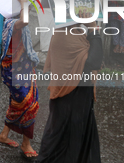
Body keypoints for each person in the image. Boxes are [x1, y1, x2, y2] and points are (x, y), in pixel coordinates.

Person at [36, 14, 103, 163]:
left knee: (68, 137)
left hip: (76, 98)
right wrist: (93, 28)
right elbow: (94, 61)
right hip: (71, 98)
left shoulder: (74, 32)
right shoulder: (65, 35)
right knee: (67, 140)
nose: (83, 14)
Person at [0, 0, 40, 160]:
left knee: (18, 103)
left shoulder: (14, 23)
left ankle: (3, 135)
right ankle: (26, 143)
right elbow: (25, 21)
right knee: (29, 104)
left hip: (25, 68)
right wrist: (24, 4)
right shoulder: (11, 22)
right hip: (14, 71)